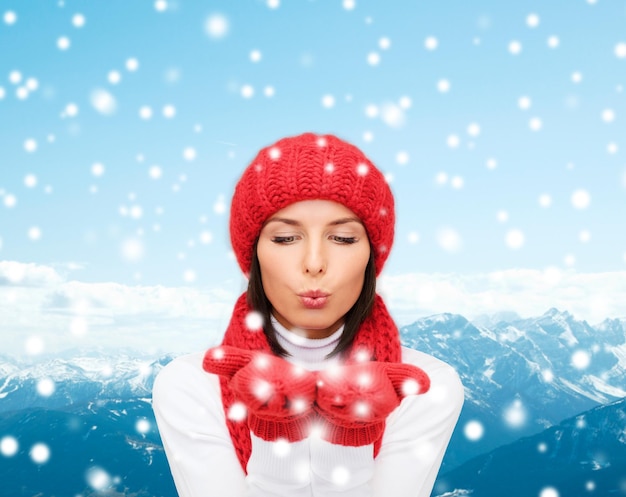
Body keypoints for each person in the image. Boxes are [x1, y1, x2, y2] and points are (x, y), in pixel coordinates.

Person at [152, 132, 464, 497]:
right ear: (252, 256)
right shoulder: (191, 386)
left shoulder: (422, 388)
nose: (314, 264)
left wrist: (349, 435)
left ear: (371, 257)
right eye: (285, 239)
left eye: (343, 239)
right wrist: (276, 430)